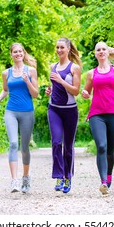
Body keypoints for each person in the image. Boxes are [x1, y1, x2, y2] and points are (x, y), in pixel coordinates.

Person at [81, 41, 114, 195]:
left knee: (110, 149)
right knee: (101, 146)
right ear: (95, 54)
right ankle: (103, 182)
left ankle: (109, 175)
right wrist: (84, 94)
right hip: (96, 114)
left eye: (104, 49)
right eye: (98, 50)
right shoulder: (91, 73)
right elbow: (86, 92)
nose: (101, 52)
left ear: (108, 52)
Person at [0, 43, 39, 193]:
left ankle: (26, 178)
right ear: (11, 54)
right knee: (13, 144)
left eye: (20, 51)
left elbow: (35, 94)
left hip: (27, 112)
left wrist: (27, 81)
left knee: (25, 148)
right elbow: (6, 90)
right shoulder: (6, 73)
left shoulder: (31, 71)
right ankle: (14, 181)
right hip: (11, 111)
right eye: (15, 52)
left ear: (24, 53)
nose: (18, 54)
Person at [45, 37, 82, 193]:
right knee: (56, 142)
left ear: (68, 49)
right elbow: (55, 89)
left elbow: (75, 91)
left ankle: (68, 178)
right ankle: (59, 176)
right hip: (54, 109)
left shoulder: (75, 68)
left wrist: (60, 80)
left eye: (62, 47)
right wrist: (49, 91)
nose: (59, 50)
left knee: (68, 146)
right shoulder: (53, 66)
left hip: (70, 111)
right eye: (57, 47)